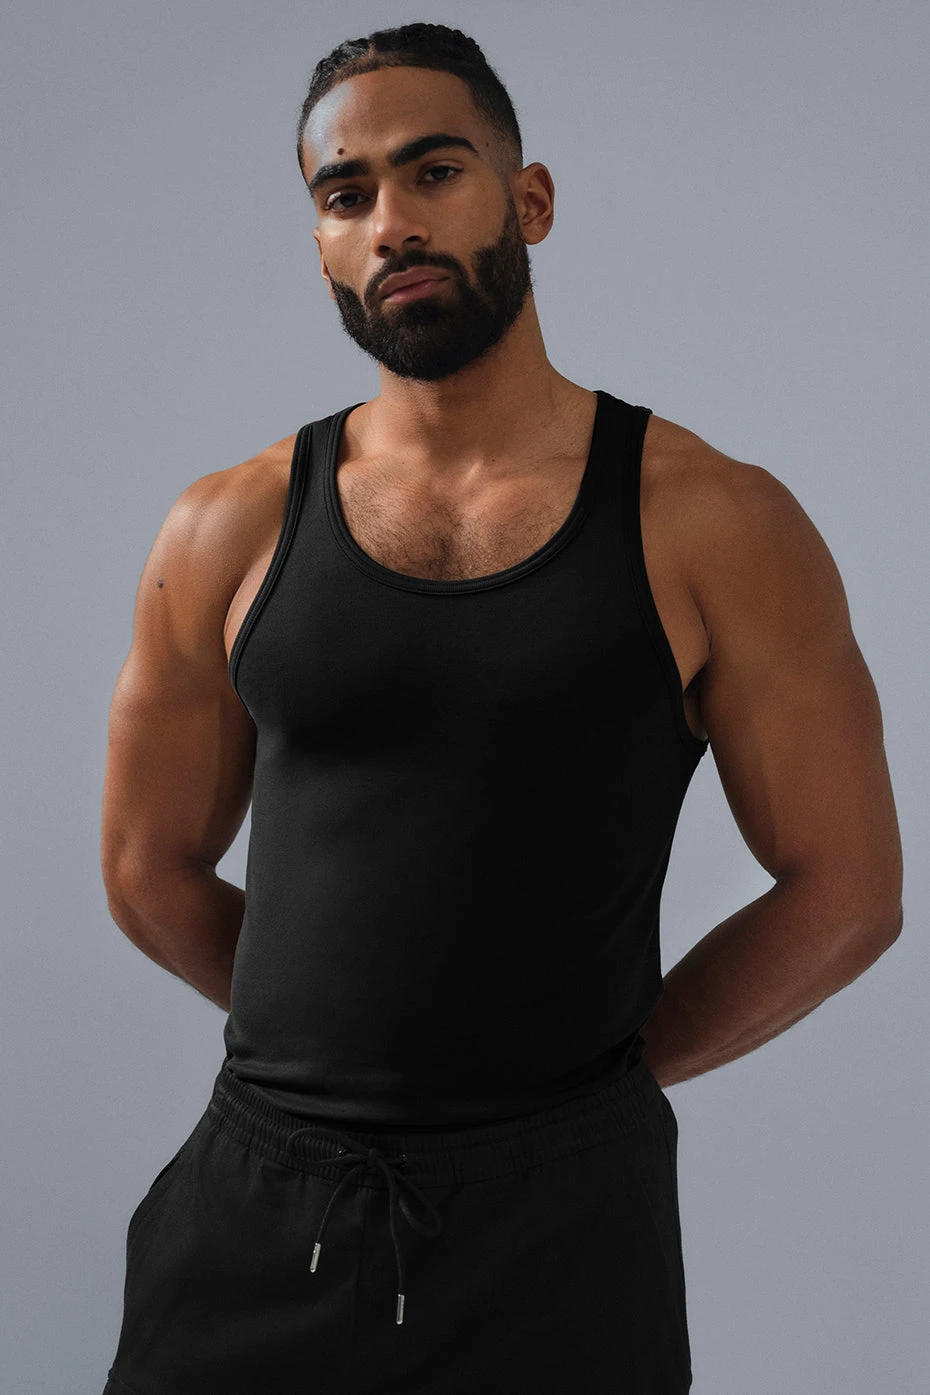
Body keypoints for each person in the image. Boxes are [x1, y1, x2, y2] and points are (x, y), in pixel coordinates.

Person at [99, 22, 903, 1395]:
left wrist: (585, 1084)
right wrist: (351, 1062)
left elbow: (848, 890)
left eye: (434, 172)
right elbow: (143, 866)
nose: (391, 222)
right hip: (259, 1213)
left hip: (561, 1227)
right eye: (346, 194)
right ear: (321, 246)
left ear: (527, 201)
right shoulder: (225, 527)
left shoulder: (714, 520)